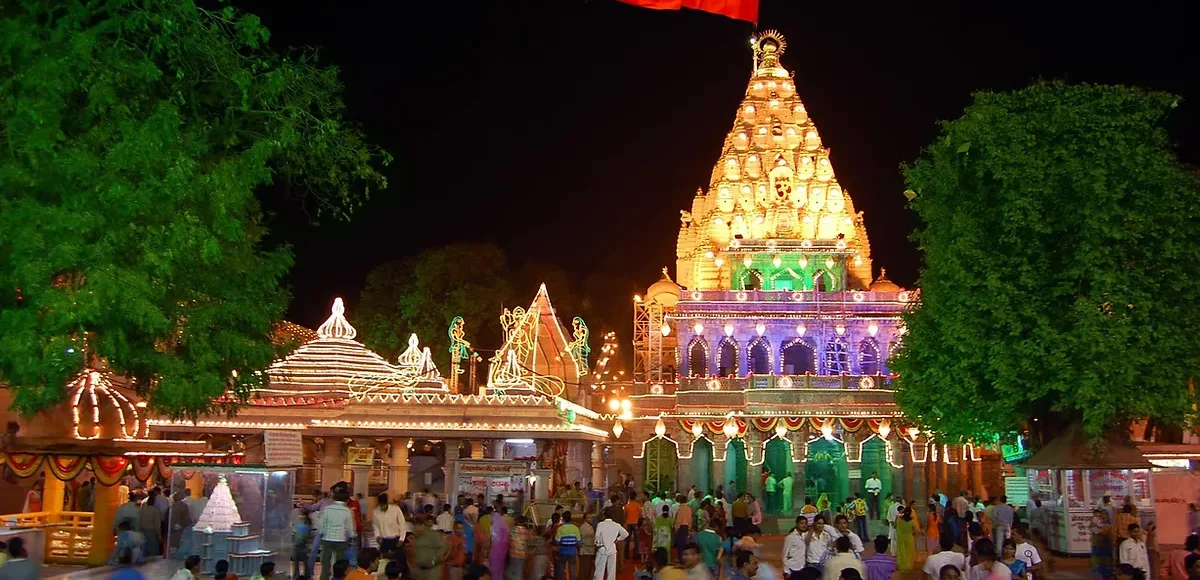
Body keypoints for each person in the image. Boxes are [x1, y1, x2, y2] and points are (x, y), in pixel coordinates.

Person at [594, 507, 629, 580]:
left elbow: (597, 536)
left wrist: (597, 544)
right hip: (612, 548)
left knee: (599, 569)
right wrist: (618, 539)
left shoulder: (600, 524)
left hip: (602, 548)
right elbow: (626, 534)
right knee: (611, 570)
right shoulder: (616, 525)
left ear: (604, 515)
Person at [556, 511, 582, 580]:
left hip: (562, 551)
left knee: (561, 567)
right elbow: (578, 542)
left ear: (563, 519)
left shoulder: (560, 528)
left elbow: (557, 541)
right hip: (572, 551)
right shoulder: (576, 528)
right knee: (572, 568)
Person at [139, 489, 163, 558]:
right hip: (152, 532)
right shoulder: (155, 512)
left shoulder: (142, 509)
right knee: (153, 552)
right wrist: (159, 536)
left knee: (144, 550)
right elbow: (157, 526)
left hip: (142, 531)